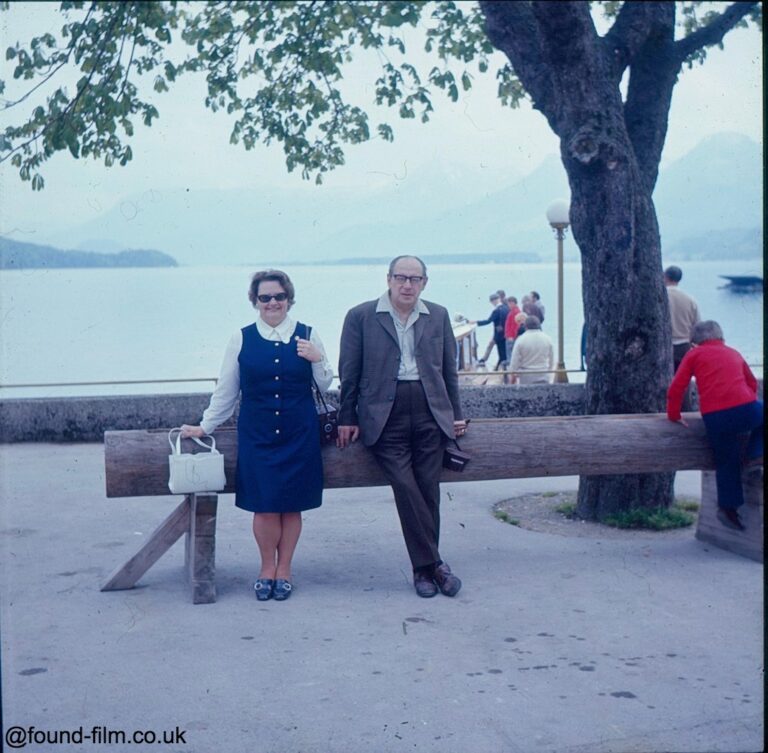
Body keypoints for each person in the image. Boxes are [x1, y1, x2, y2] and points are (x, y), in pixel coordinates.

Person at [180, 269, 333, 601]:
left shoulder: (308, 334)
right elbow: (226, 391)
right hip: (258, 435)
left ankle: (285, 570)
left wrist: (318, 360)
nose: (273, 302)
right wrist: (205, 426)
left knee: (292, 506)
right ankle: (266, 569)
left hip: (299, 433)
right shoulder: (241, 338)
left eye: (279, 296)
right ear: (255, 301)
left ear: (289, 298)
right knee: (264, 506)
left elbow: (324, 385)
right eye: (265, 297)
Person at [336, 255, 467, 598]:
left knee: (428, 488)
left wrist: (455, 413)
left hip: (430, 410)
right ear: (388, 279)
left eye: (415, 279)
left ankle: (423, 571)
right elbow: (349, 372)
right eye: (401, 278)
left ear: (425, 282)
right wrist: (346, 417)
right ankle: (435, 564)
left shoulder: (437, 315)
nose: (407, 285)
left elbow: (448, 370)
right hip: (383, 415)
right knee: (405, 486)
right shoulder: (361, 316)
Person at [667, 320, 763, 532]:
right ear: (721, 338)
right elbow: (752, 383)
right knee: (761, 416)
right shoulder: (733, 353)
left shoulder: (693, 355)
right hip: (745, 409)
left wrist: (674, 415)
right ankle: (756, 453)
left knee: (726, 459)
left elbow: (677, 387)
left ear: (695, 342)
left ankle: (729, 510)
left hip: (714, 417)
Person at [664, 265, 701, 411]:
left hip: (664, 346)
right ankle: (684, 410)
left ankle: (666, 409)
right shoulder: (690, 300)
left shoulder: (659, 297)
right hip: (684, 345)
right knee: (683, 382)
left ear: (665, 276)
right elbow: (697, 325)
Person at [508, 315, 554, 384]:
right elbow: (551, 360)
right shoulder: (548, 339)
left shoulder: (521, 340)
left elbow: (514, 362)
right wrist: (549, 371)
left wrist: (513, 376)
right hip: (544, 373)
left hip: (526, 376)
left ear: (525, 326)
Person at [471, 292, 509, 368]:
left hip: (498, 336)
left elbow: (488, 321)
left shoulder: (496, 311)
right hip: (506, 334)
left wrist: (476, 322)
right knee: (504, 353)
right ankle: (500, 368)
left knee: (501, 353)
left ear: (494, 301)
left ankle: (499, 369)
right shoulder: (506, 308)